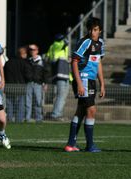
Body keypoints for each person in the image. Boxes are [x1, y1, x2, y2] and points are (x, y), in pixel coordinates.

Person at [64, 17, 105, 153]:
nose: (92, 32)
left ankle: (71, 144)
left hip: (91, 80)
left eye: (95, 30)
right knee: (91, 109)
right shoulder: (85, 42)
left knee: (81, 110)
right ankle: (90, 145)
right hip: (84, 78)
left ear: (100, 31)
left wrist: (102, 84)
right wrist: (80, 83)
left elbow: (98, 63)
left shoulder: (100, 43)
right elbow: (74, 62)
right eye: (91, 30)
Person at [45, 33, 71, 121]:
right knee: (61, 95)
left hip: (64, 73)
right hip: (60, 73)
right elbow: (65, 43)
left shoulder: (54, 46)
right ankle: (55, 114)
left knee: (63, 95)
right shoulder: (56, 45)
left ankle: (59, 113)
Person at [4, 46, 32, 122]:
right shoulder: (24, 63)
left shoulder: (8, 63)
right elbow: (28, 76)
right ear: (23, 54)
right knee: (20, 105)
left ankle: (9, 119)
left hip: (9, 86)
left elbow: (4, 74)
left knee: (9, 104)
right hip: (21, 86)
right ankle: (19, 120)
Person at [25, 44, 49, 123]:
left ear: (37, 51)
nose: (32, 51)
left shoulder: (42, 61)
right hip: (29, 83)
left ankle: (39, 118)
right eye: (31, 50)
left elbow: (46, 73)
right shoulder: (28, 61)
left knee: (38, 101)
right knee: (28, 102)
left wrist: (45, 83)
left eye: (33, 50)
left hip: (38, 84)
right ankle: (27, 118)